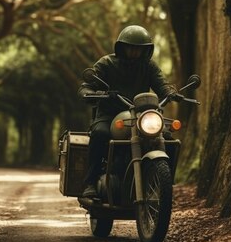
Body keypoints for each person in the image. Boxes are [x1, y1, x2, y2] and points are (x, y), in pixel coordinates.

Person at [78, 25, 182, 198]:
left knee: (167, 137)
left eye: (139, 48)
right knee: (99, 134)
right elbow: (86, 87)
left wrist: (171, 92)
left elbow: (161, 84)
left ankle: (165, 184)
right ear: (121, 47)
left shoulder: (149, 67)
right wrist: (96, 94)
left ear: (146, 50)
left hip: (141, 116)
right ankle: (90, 182)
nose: (134, 51)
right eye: (130, 47)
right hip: (110, 115)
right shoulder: (106, 64)